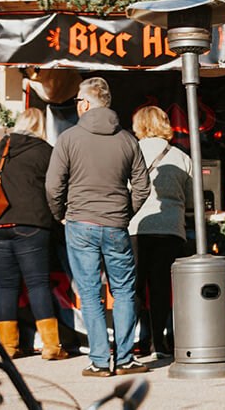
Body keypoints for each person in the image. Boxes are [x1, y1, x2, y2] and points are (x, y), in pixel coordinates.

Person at [45, 77, 152, 376]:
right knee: (124, 291)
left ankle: (101, 362)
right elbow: (142, 186)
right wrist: (124, 213)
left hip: (80, 223)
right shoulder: (127, 139)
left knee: (91, 293)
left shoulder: (68, 138)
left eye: (78, 100)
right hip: (116, 224)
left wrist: (61, 214)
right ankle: (126, 359)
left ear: (84, 104)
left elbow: (53, 186)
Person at [0, 107, 68, 361]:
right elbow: (56, 187)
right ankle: (51, 346)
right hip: (31, 224)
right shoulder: (44, 151)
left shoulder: (1, 148)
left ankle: (8, 346)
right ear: (40, 127)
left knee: (6, 285)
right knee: (37, 283)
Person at [128, 106, 192, 359]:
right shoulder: (181, 157)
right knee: (161, 287)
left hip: (136, 227)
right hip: (170, 229)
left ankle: (128, 344)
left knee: (133, 287)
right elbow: (191, 199)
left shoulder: (130, 153)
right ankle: (159, 343)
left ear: (139, 125)